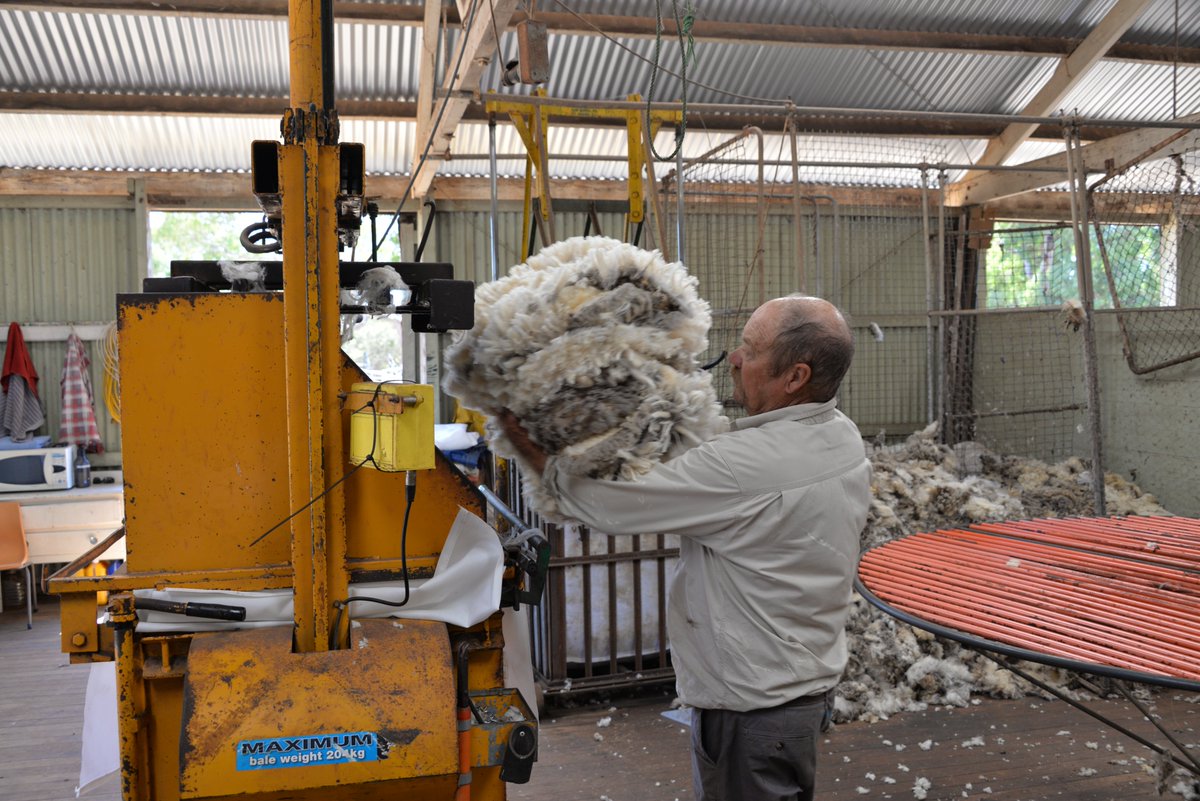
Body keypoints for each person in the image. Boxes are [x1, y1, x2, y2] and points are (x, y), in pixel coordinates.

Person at [500, 295, 872, 801]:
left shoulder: (745, 467)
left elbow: (605, 500)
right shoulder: (841, 435)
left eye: (750, 350)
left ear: (795, 377)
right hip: (799, 695)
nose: (734, 358)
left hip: (751, 714)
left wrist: (521, 434)